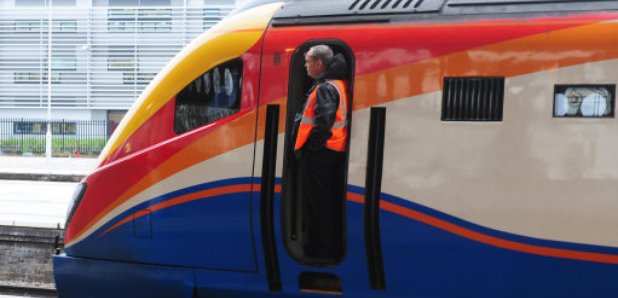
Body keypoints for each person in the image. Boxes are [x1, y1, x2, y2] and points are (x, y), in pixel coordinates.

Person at [293, 45, 348, 262]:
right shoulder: (339, 84)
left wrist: (311, 148)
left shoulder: (325, 88)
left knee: (318, 205)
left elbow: (323, 122)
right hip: (333, 152)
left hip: (322, 155)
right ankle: (326, 247)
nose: (305, 65)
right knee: (326, 204)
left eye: (307, 61)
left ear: (319, 63)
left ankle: (321, 252)